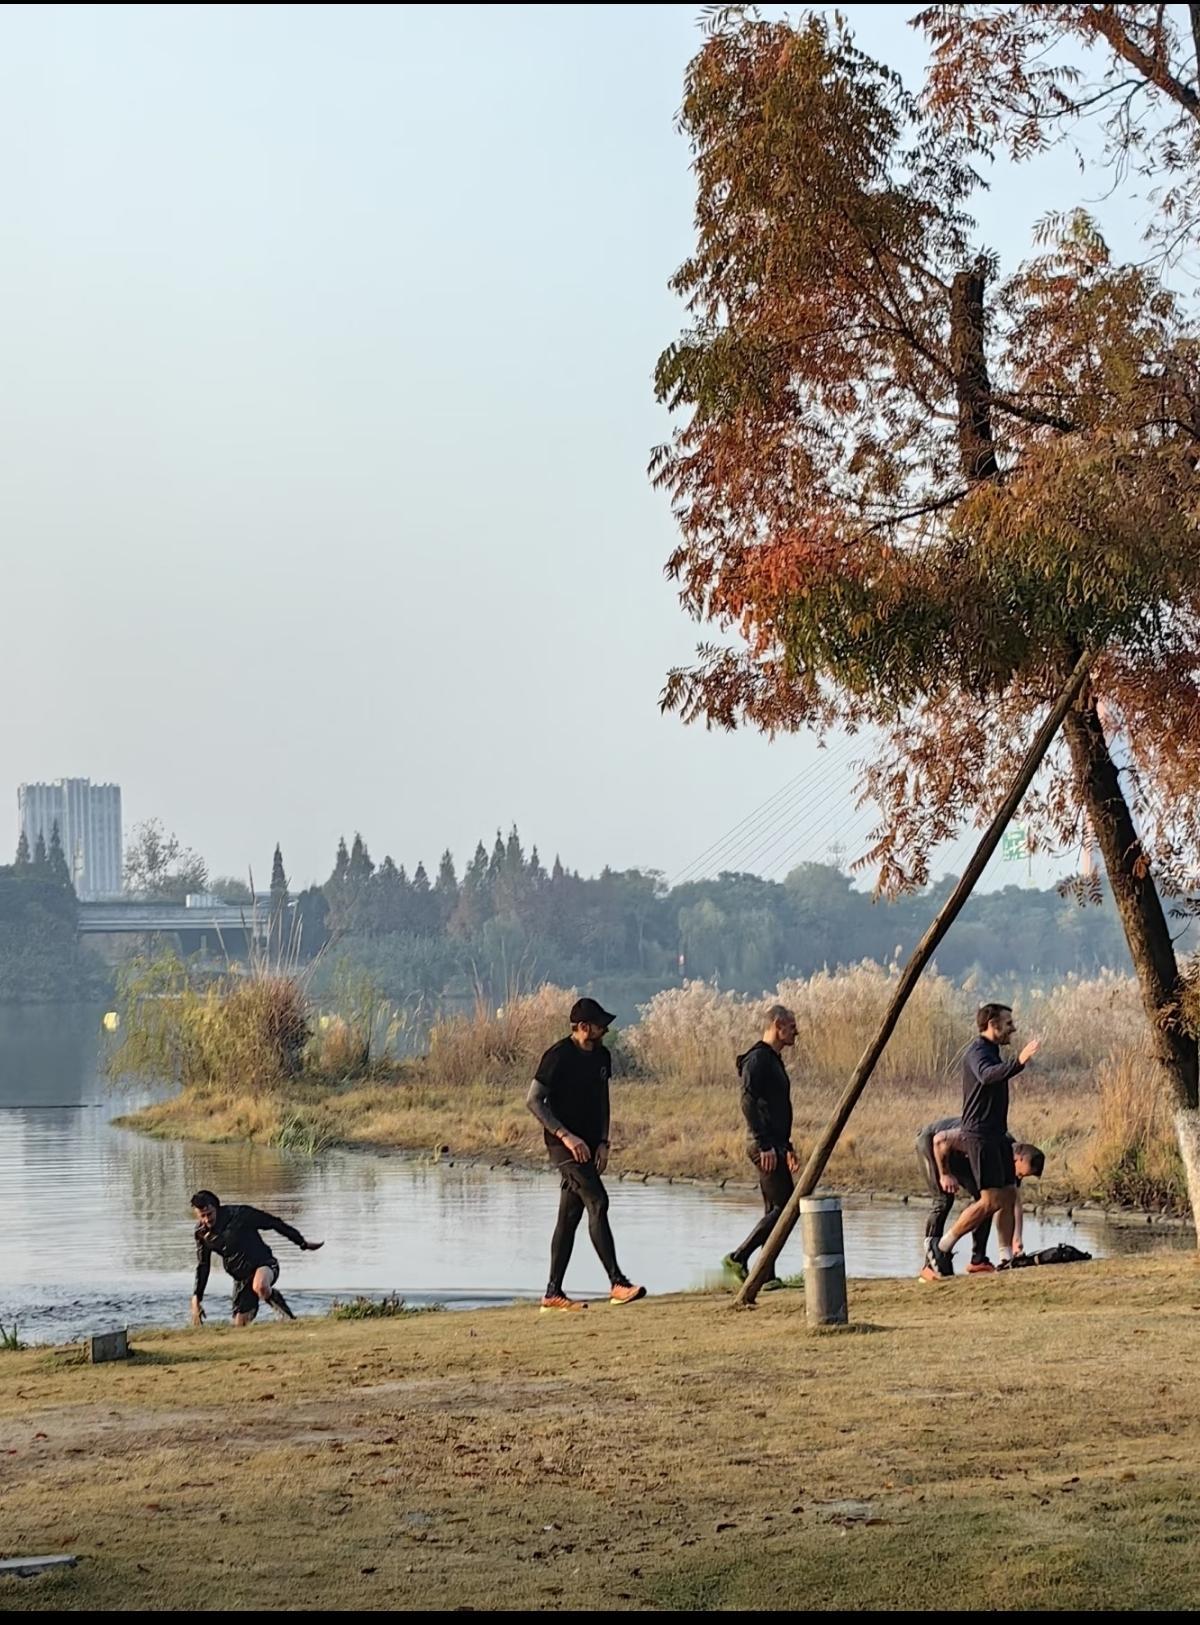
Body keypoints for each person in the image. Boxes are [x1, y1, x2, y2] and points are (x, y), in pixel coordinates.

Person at [526, 998, 645, 1312]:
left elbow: (603, 1098)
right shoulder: (558, 1056)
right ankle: (617, 1283)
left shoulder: (602, 1055)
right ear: (581, 1027)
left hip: (591, 1145)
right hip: (563, 1147)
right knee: (598, 1201)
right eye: (599, 1024)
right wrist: (566, 1136)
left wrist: (604, 1141)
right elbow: (534, 1101)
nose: (605, 1029)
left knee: (569, 1217)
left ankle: (552, 1293)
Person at [924, 1003, 1040, 1279]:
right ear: (992, 1023)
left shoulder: (993, 1052)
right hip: (980, 1136)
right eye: (1008, 1023)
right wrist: (1019, 1062)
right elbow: (988, 1077)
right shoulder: (977, 1052)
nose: (1014, 1028)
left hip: (998, 1135)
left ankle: (1006, 1258)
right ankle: (941, 1246)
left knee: (1010, 1194)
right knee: (989, 1200)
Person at [722, 1004, 798, 1290]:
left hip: (775, 1144)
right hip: (762, 1145)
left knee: (773, 1209)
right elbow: (748, 1101)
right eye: (792, 1026)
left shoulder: (774, 1059)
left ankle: (766, 1274)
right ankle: (738, 1257)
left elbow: (777, 1108)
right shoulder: (758, 1059)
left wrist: (787, 1147)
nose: (796, 1032)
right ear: (777, 1025)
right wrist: (764, 1144)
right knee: (786, 1207)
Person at [915, 1116, 1045, 1278]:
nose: (1018, 1177)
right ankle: (931, 1263)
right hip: (933, 1143)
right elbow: (940, 1140)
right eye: (1020, 1173)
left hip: (962, 1153)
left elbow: (1013, 1201)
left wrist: (1016, 1239)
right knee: (943, 1201)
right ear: (1018, 1157)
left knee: (987, 1200)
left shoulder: (1004, 1156)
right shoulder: (994, 1143)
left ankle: (978, 1261)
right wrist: (945, 1174)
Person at [190, 1190, 323, 1327]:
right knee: (240, 1326)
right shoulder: (201, 1233)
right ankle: (271, 1307)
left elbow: (274, 1223)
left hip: (263, 1264)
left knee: (260, 1286)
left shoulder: (240, 1214)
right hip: (241, 1278)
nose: (207, 1220)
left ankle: (289, 1320)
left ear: (216, 1207)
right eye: (202, 1216)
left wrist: (301, 1243)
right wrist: (196, 1298)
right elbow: (203, 1265)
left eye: (209, 1214)